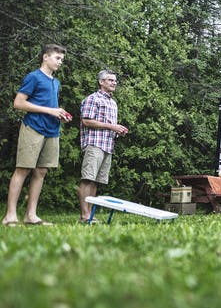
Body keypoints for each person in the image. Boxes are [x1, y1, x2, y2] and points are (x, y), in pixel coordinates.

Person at [3, 44, 70, 227]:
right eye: (57, 58)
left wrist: (59, 114)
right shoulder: (33, 77)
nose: (60, 62)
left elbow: (50, 106)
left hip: (52, 131)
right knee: (22, 169)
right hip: (33, 128)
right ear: (45, 57)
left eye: (62, 60)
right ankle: (10, 216)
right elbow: (18, 103)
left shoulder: (55, 82)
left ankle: (31, 216)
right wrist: (49, 110)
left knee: (41, 171)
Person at [78, 70, 129, 224]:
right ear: (101, 82)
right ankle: (84, 215)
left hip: (108, 146)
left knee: (95, 182)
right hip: (94, 144)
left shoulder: (113, 103)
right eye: (110, 80)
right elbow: (86, 121)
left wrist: (118, 131)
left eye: (115, 80)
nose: (114, 83)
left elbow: (109, 126)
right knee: (87, 179)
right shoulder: (93, 99)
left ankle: (90, 215)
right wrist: (112, 127)